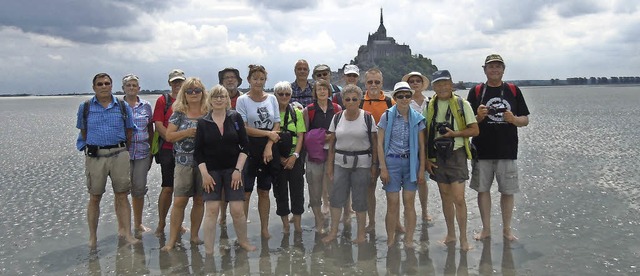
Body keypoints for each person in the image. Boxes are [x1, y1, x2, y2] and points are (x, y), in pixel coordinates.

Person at [466, 54, 530, 241]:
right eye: (491, 67)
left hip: (507, 151)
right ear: (484, 69)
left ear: (503, 69)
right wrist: (478, 117)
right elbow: (468, 124)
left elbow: (525, 120)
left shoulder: (513, 90)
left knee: (507, 192)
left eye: (498, 66)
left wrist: (513, 119)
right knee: (483, 190)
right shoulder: (476, 92)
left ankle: (507, 230)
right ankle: (486, 229)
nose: (494, 70)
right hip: (482, 151)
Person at [76, 72, 138, 248]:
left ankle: (127, 234)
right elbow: (83, 131)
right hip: (96, 156)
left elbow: (129, 131)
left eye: (107, 83)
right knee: (94, 196)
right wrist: (94, 146)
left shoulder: (122, 106)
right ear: (94, 87)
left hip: (119, 153)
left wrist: (121, 148)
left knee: (122, 195)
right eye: (100, 84)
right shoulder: (85, 107)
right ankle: (93, 238)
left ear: (112, 86)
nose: (104, 86)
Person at [195, 85, 256, 254]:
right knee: (212, 210)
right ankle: (209, 250)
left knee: (237, 210)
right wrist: (205, 174)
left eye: (222, 96)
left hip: (233, 170)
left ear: (227, 99)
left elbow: (245, 147)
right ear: (210, 99)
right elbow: (198, 152)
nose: (219, 99)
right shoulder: (203, 122)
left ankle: (243, 241)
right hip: (211, 172)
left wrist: (238, 170)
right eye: (215, 96)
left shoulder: (235, 117)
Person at [425, 70, 479, 251]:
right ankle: (451, 234)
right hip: (437, 156)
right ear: (433, 87)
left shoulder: (462, 105)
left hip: (457, 154)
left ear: (451, 84)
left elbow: (474, 130)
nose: (441, 87)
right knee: (445, 197)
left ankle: (464, 239)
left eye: (445, 83)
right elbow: (424, 133)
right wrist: (426, 158)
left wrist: (454, 133)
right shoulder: (429, 106)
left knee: (459, 198)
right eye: (438, 84)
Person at [322, 84, 378, 244]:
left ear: (360, 100)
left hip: (362, 165)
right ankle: (333, 232)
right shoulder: (337, 117)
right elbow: (332, 143)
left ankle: (360, 234)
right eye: (348, 99)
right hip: (340, 163)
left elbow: (374, 144)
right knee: (336, 199)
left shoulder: (367, 117)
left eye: (355, 99)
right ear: (343, 101)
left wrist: (374, 166)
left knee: (360, 200)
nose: (351, 102)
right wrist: (330, 166)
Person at [161, 77, 208, 251]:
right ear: (184, 94)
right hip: (183, 163)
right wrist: (187, 132)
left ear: (203, 92)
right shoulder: (178, 113)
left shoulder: (208, 112)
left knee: (199, 200)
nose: (194, 94)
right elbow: (169, 136)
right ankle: (172, 240)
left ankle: (194, 235)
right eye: (190, 91)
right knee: (179, 201)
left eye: (197, 90)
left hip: (204, 164)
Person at [377, 82, 427, 247]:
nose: (404, 99)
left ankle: (409, 239)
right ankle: (391, 239)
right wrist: (382, 167)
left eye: (407, 95)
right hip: (391, 161)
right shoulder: (387, 116)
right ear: (395, 98)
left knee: (409, 203)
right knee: (392, 203)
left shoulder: (418, 118)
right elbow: (379, 143)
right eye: (400, 96)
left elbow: (421, 146)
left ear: (411, 97)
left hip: (411, 162)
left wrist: (421, 170)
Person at [236, 64, 281, 239]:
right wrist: (267, 133)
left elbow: (276, 123)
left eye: (262, 79)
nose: (258, 82)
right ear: (249, 80)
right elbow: (244, 128)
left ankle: (264, 229)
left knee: (264, 191)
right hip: (249, 148)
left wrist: (269, 143)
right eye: (255, 78)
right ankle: (243, 233)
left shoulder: (272, 99)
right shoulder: (242, 100)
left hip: (269, 147)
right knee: (246, 192)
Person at [302, 80, 342, 233]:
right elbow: (304, 134)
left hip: (333, 154)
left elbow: (342, 130)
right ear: (315, 92)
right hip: (314, 156)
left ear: (329, 91)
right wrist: (320, 137)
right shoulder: (309, 110)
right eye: (319, 89)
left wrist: (332, 137)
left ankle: (333, 224)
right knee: (314, 190)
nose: (322, 91)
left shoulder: (337, 109)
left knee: (334, 190)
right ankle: (319, 220)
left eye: (325, 88)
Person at [360, 68, 396, 232]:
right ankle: (372, 222)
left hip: (389, 152)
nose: (373, 85)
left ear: (382, 83)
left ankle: (397, 223)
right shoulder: (359, 102)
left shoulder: (390, 103)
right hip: (367, 153)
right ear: (365, 83)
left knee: (393, 190)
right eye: (370, 82)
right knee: (369, 189)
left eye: (377, 82)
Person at [153, 69, 186, 236]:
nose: (177, 85)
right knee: (167, 188)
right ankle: (161, 224)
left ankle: (178, 224)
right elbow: (158, 124)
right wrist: (171, 137)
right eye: (174, 82)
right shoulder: (163, 100)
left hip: (187, 152)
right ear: (169, 83)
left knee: (182, 191)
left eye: (180, 81)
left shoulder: (190, 99)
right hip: (167, 150)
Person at [122, 74, 154, 237]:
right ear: (123, 89)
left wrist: (151, 151)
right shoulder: (118, 105)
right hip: (122, 154)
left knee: (139, 189)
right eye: (129, 85)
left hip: (142, 152)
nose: (132, 88)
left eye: (135, 85)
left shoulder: (146, 106)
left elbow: (150, 128)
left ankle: (138, 222)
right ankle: (123, 225)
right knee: (121, 190)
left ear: (139, 88)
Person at [273, 81, 306, 234]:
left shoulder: (296, 112)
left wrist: (295, 156)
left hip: (295, 157)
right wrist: (279, 158)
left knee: (297, 191)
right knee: (280, 192)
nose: (284, 96)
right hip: (277, 158)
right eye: (281, 94)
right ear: (275, 95)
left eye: (287, 94)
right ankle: (286, 226)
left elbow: (300, 136)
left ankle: (297, 225)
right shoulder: (271, 113)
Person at [402, 71, 432, 222]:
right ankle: (408, 211)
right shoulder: (404, 101)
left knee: (423, 181)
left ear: (422, 84)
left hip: (425, 146)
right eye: (412, 81)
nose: (415, 83)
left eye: (417, 81)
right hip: (408, 146)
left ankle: (425, 211)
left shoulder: (430, 101)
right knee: (408, 180)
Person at [216, 67, 243, 226]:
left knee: (237, 182)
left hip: (239, 148)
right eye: (226, 77)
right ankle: (223, 215)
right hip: (219, 149)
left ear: (238, 80)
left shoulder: (244, 99)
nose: (230, 80)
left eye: (233, 77)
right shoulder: (214, 99)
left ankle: (239, 216)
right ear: (221, 81)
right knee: (221, 186)